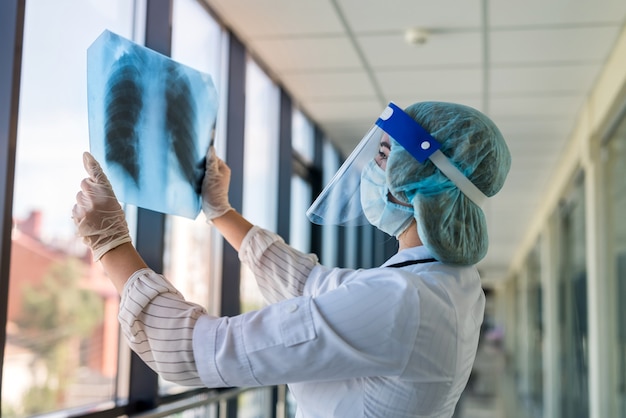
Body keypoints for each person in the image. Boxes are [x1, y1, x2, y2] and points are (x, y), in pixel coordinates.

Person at [73, 101, 511, 417]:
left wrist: (110, 243)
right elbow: (309, 285)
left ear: (414, 182)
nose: (370, 172)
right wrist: (222, 214)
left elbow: (197, 351)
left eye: (382, 158)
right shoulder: (447, 282)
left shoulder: (405, 300)